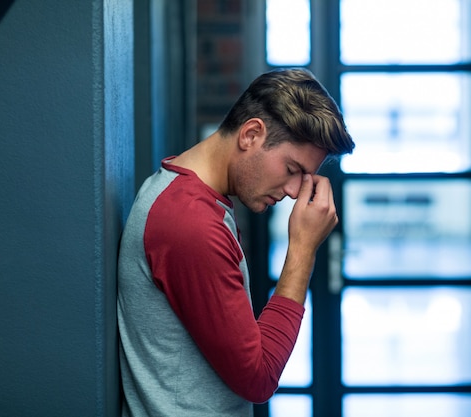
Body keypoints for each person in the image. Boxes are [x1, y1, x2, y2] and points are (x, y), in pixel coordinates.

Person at [117, 68, 355, 416]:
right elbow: (258, 379)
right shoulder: (190, 224)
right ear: (251, 134)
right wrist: (302, 250)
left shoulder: (194, 200)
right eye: (291, 169)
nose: (293, 192)